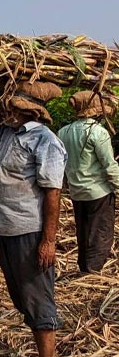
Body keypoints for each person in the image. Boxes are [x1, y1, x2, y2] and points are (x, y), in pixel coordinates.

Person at [0, 80, 67, 357]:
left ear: (24, 109)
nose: (4, 109)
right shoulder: (7, 132)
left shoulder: (45, 141)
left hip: (29, 230)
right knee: (20, 294)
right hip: (5, 227)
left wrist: (48, 241)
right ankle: (43, 355)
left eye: (8, 104)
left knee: (36, 294)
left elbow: (53, 193)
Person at [56, 91, 119, 273]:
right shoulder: (98, 132)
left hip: (77, 192)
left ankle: (84, 268)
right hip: (99, 192)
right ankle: (92, 272)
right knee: (100, 234)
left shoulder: (63, 132)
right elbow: (110, 165)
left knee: (83, 232)